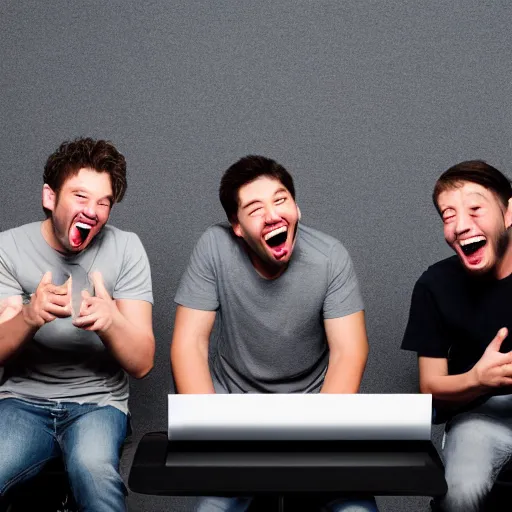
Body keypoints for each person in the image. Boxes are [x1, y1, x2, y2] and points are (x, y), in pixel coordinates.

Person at [171, 155, 377, 512]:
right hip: (235, 413)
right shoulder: (214, 247)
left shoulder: (331, 257)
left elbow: (350, 350)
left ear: (296, 207)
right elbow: (189, 344)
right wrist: (211, 432)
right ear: (236, 226)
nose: (272, 215)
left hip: (315, 410)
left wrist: (320, 434)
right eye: (255, 208)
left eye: (280, 200)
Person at [0, 138, 155, 512]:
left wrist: (111, 322)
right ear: (50, 197)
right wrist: (29, 316)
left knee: (94, 472)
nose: (93, 212)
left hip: (98, 403)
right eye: (81, 197)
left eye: (104, 203)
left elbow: (143, 363)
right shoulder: (8, 248)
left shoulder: (127, 248)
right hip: (22, 401)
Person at [401, 160, 512, 512]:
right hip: (479, 416)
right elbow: (430, 386)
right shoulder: (435, 285)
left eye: (475, 209)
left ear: (509, 213)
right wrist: (479, 379)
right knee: (460, 493)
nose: (461, 225)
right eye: (448, 216)